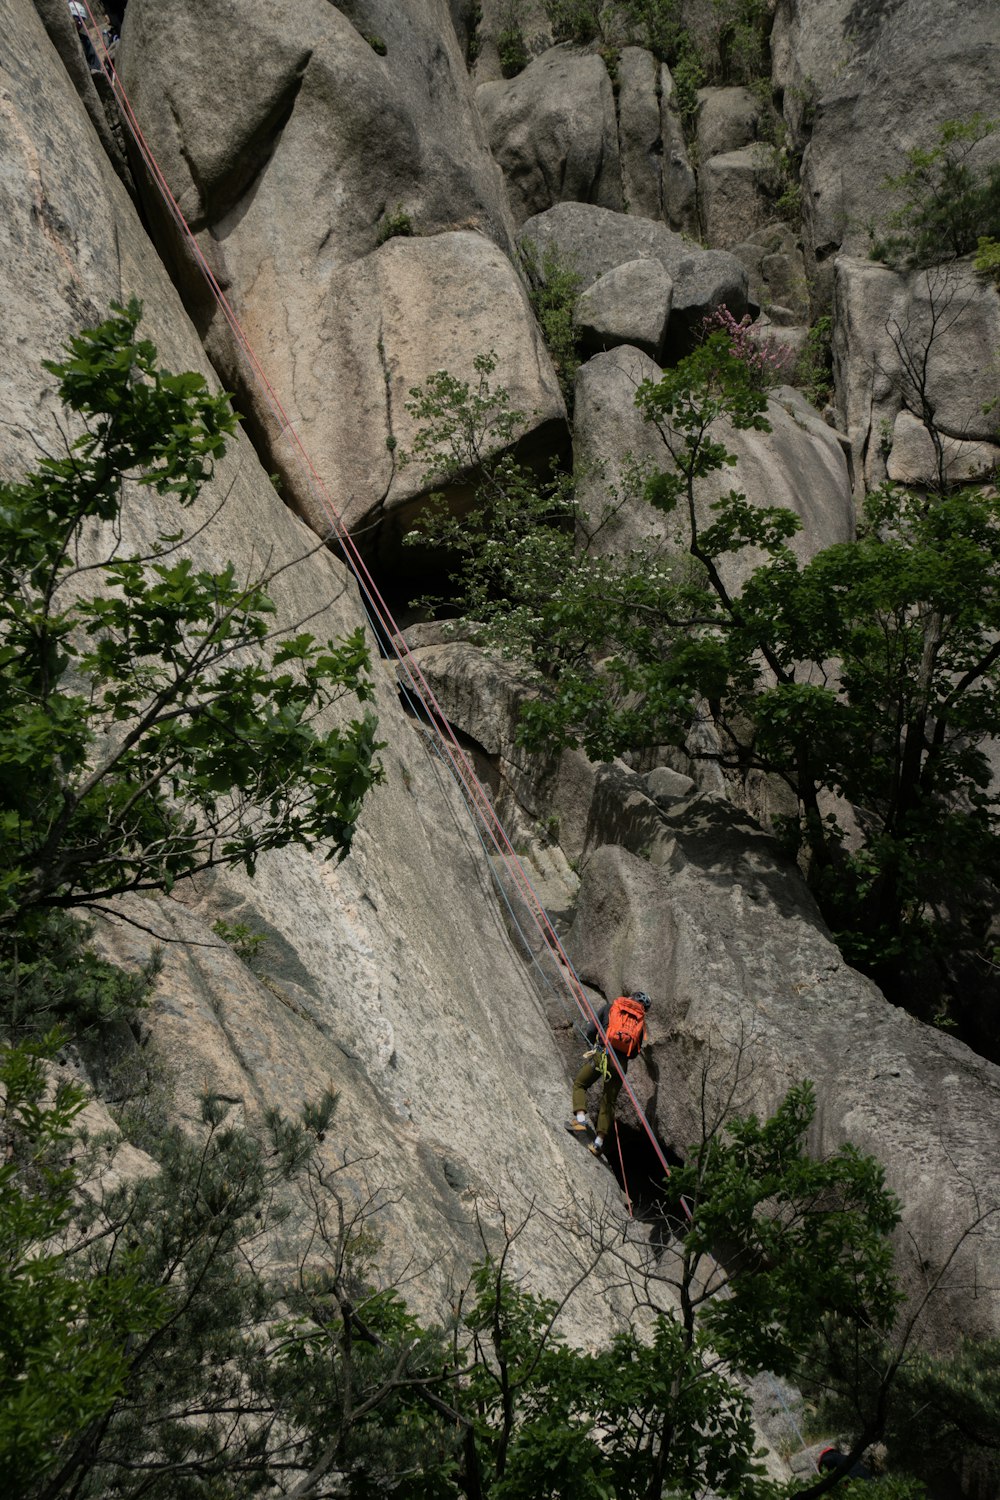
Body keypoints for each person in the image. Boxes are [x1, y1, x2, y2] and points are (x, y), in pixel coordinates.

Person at [567, 991, 651, 1156]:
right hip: (620, 1064)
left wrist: (594, 1044)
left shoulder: (612, 1007)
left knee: (580, 1084)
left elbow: (591, 1030)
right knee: (609, 1101)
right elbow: (634, 1052)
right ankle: (598, 1143)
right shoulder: (639, 1022)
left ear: (630, 998)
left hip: (602, 1054)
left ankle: (580, 1120)